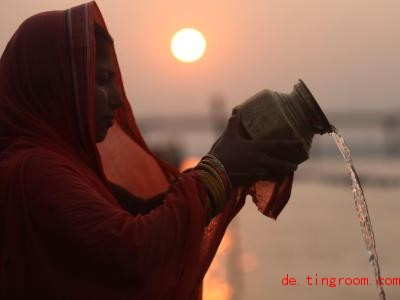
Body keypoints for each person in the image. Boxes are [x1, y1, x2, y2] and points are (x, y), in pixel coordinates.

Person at [0, 2, 303, 299]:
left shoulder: (65, 166)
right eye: (102, 80)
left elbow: (144, 214)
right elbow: (132, 255)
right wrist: (218, 169)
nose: (117, 99)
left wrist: (225, 168)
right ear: (53, 84)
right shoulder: (37, 171)